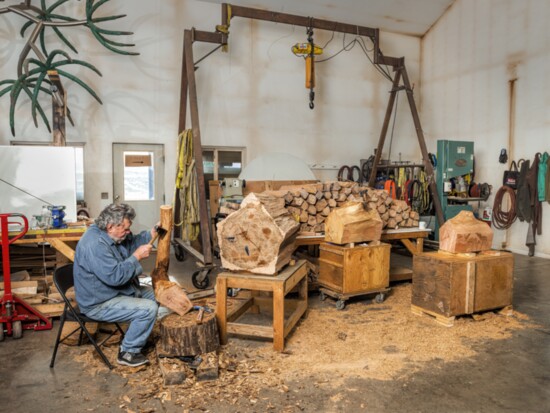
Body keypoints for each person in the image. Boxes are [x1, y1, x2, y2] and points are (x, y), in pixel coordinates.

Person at [74, 203, 160, 367]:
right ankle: (128, 352)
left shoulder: (112, 235)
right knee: (148, 308)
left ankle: (135, 335)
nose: (128, 233)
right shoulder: (95, 244)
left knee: (159, 294)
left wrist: (152, 232)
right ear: (110, 226)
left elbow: (130, 242)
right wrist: (136, 257)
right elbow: (115, 277)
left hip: (115, 292)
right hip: (99, 302)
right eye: (126, 229)